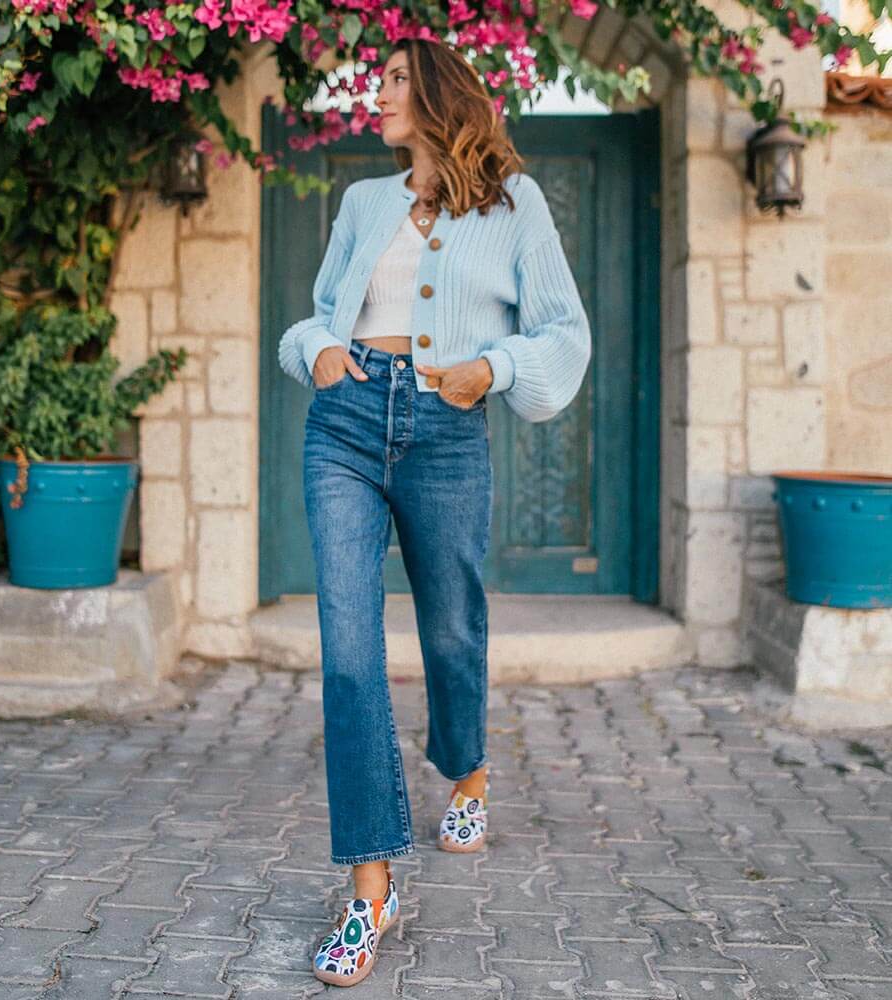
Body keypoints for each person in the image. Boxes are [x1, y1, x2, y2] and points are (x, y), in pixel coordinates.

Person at [277, 37, 592, 987]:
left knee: (452, 626)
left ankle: (467, 770)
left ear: (439, 94)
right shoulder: (362, 202)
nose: (377, 93)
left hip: (446, 426)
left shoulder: (514, 205)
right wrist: (315, 350)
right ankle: (370, 889)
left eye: (394, 80)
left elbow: (564, 332)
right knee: (347, 650)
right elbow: (321, 312)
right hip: (344, 421)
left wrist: (491, 368)